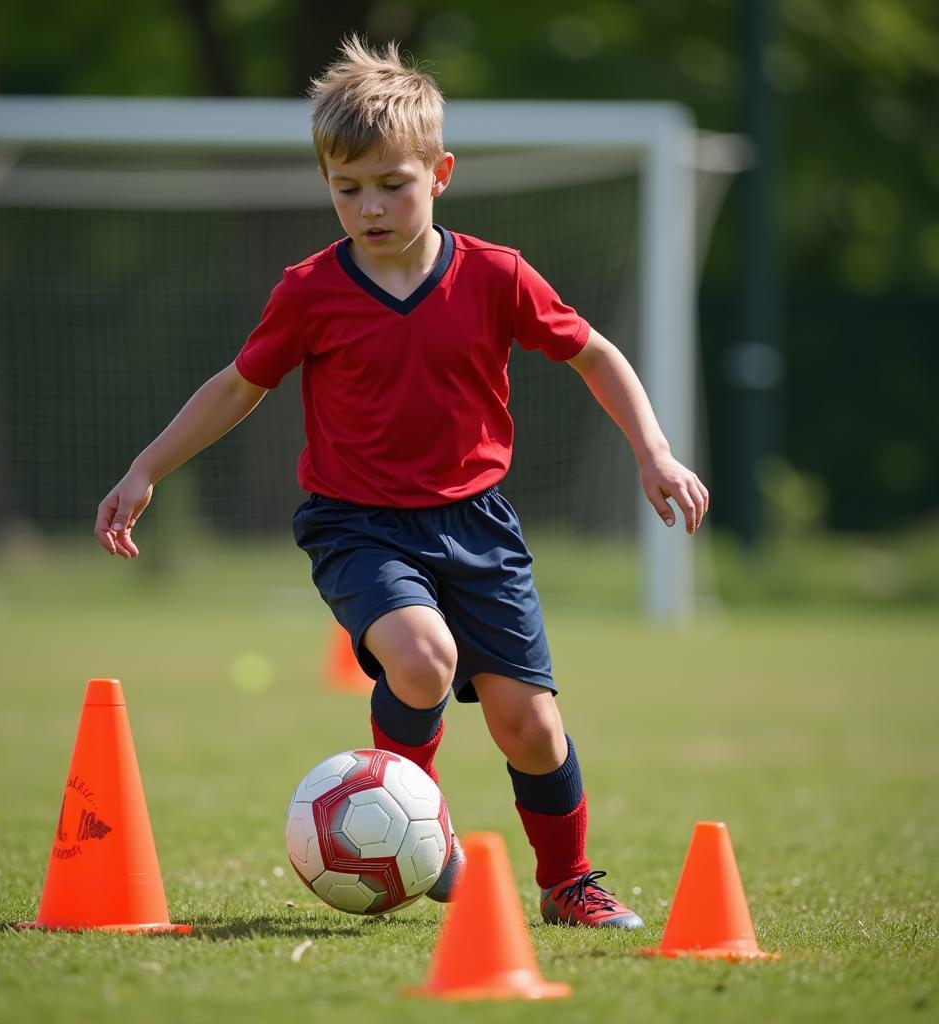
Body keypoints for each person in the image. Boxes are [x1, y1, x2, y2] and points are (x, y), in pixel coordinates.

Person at [94, 36, 708, 929]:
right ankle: (425, 836)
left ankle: (568, 882)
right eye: (348, 189)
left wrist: (654, 451)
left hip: (479, 526)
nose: (371, 207)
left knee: (529, 728)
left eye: (393, 183)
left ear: (441, 173)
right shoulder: (310, 291)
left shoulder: (496, 275)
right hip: (358, 525)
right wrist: (145, 468)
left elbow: (596, 354)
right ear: (327, 186)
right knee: (421, 659)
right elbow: (237, 386)